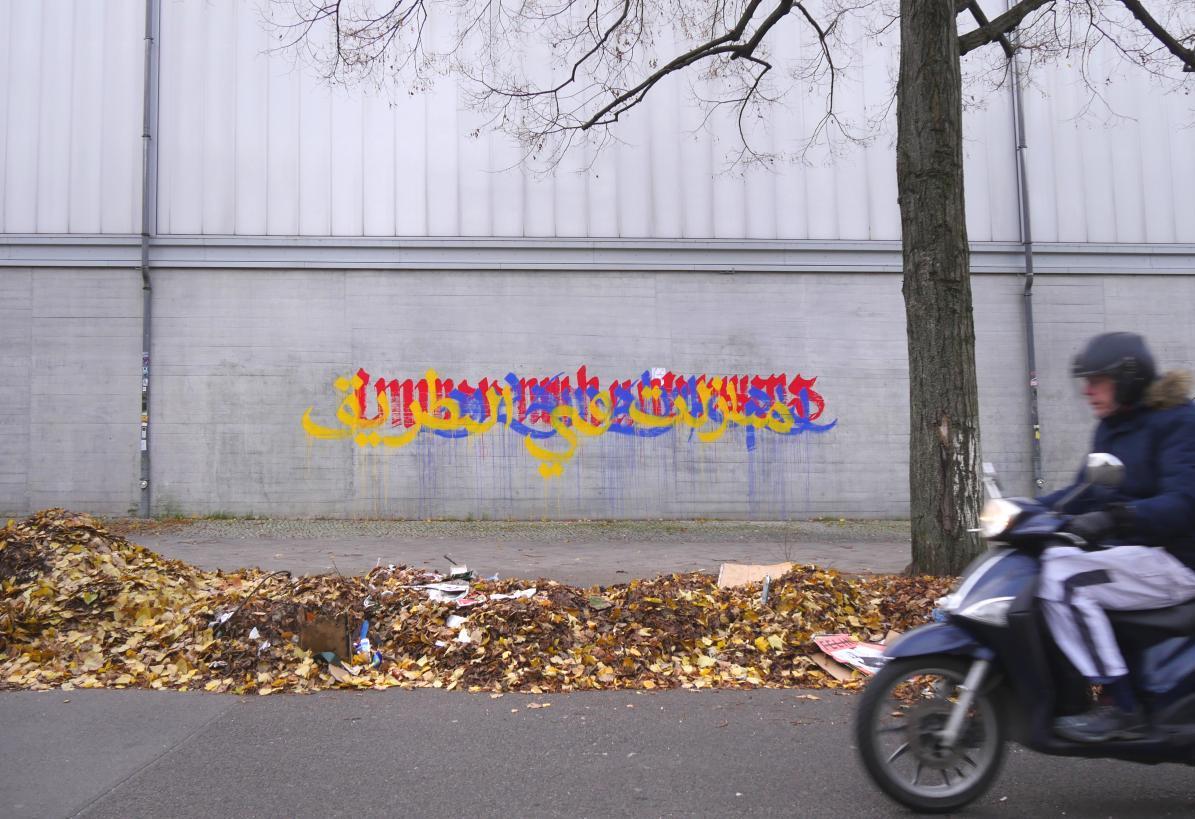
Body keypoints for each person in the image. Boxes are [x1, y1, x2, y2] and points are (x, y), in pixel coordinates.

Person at [1036, 331, 1195, 743]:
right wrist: (1027, 510)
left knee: (1064, 581)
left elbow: (1183, 502)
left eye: (1097, 380)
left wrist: (1114, 518)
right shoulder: (1112, 428)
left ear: (1127, 379)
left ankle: (1122, 706)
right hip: (1138, 552)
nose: (1087, 391)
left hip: (1177, 559)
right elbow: (1083, 491)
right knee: (1048, 563)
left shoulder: (1178, 421)